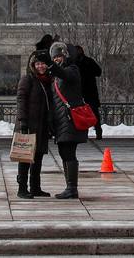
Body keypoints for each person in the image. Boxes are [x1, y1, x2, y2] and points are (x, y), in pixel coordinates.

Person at [47, 41, 89, 199]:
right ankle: (69, 187)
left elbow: (64, 74)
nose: (56, 59)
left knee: (69, 153)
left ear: (65, 56)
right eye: (54, 57)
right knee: (64, 152)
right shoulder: (56, 76)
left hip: (70, 120)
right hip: (62, 121)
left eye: (58, 56)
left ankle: (72, 188)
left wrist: (52, 66)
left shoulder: (72, 70)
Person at [14, 51, 53, 199]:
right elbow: (21, 100)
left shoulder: (48, 80)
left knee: (38, 157)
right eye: (38, 64)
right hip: (28, 124)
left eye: (43, 63)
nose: (40, 66)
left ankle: (35, 187)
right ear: (33, 65)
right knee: (25, 157)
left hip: (42, 125)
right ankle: (22, 188)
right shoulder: (28, 79)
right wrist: (23, 121)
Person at [73, 45, 103, 140]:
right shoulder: (89, 61)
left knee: (78, 113)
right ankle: (98, 132)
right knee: (93, 113)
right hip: (90, 91)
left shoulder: (73, 63)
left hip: (79, 92)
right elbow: (98, 72)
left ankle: (82, 134)